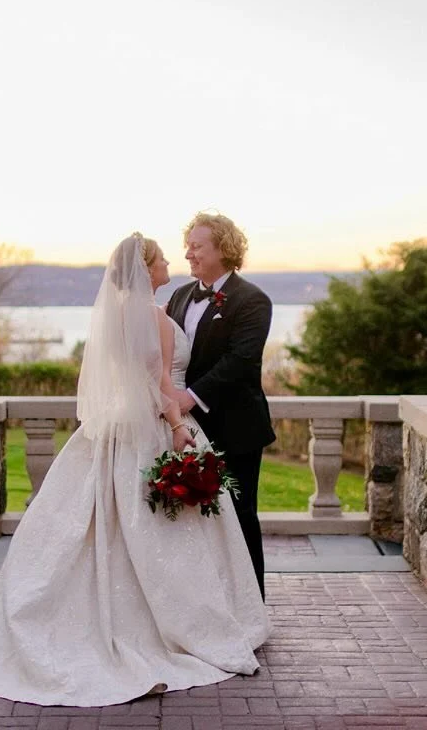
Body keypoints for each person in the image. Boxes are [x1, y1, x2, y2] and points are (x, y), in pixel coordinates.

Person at [0, 233, 269, 707]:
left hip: (112, 433)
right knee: (163, 530)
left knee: (106, 529)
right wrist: (179, 427)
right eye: (163, 257)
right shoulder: (159, 314)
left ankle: (99, 618)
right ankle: (181, 624)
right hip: (154, 430)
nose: (173, 262)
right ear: (146, 269)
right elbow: (161, 384)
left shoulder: (118, 314)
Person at [165, 212, 276, 599]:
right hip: (186, 431)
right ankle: (203, 605)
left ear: (223, 249)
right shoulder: (179, 296)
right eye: (188, 246)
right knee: (191, 521)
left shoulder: (253, 300)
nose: (188, 254)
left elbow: (239, 362)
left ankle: (251, 606)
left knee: (240, 516)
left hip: (236, 429)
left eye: (197, 247)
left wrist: (189, 397)